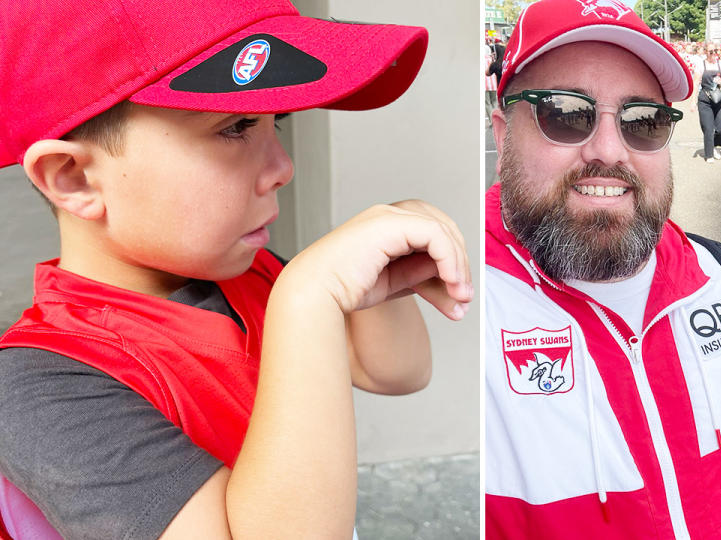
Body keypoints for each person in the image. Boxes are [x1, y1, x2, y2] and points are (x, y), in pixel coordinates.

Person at [0, 1, 474, 538]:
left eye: (279, 121)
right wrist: (309, 296)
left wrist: (386, 273)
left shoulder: (250, 275)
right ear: (73, 178)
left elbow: (397, 372)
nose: (282, 167)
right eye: (237, 127)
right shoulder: (40, 387)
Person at [485, 0, 721, 537]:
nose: (609, 150)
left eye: (643, 121)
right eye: (564, 114)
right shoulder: (464, 308)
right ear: (502, 134)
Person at [692, 44, 721, 163]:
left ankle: (714, 145)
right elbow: (696, 82)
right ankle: (709, 154)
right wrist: (693, 101)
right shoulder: (701, 64)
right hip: (705, 99)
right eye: (711, 51)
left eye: (715, 51)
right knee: (708, 128)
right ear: (705, 52)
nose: (713, 53)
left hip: (718, 98)